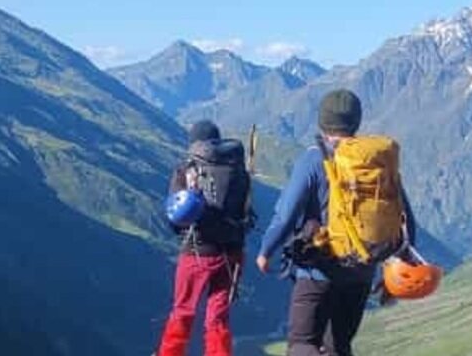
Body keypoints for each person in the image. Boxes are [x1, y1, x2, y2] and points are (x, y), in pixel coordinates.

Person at [253, 90, 418, 356]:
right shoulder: (375, 162)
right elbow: (405, 221)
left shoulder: (312, 160)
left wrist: (265, 250)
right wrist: (399, 268)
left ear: (322, 122)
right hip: (362, 271)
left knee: (302, 344)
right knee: (339, 347)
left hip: (318, 271)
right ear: (356, 121)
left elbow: (287, 213)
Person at [156, 121, 252, 356]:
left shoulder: (186, 170)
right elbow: (246, 214)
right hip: (231, 255)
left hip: (196, 252)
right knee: (218, 317)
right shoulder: (239, 172)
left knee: (183, 310)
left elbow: (174, 217)